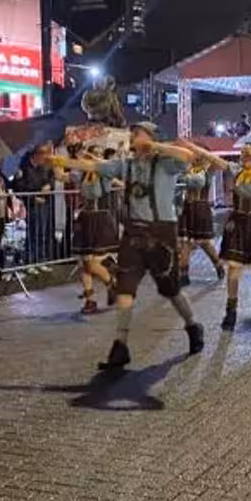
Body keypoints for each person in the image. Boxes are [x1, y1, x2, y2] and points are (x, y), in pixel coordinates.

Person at [55, 122, 203, 370]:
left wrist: (154, 145)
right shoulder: (127, 165)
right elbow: (95, 166)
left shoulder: (166, 164)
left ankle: (192, 325)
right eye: (133, 134)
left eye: (137, 134)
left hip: (161, 234)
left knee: (171, 290)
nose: (132, 137)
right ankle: (120, 346)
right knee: (125, 289)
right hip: (133, 234)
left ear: (151, 137)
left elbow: (188, 156)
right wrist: (60, 161)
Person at [181, 140, 251, 330]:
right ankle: (231, 312)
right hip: (237, 223)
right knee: (233, 270)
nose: (245, 156)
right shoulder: (235, 169)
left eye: (249, 152)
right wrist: (193, 147)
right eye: (243, 153)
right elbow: (212, 157)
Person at [63, 145, 119, 314]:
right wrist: (55, 160)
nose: (93, 157)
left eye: (98, 154)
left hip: (100, 219)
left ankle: (111, 283)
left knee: (93, 263)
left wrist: (94, 161)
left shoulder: (104, 174)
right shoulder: (80, 173)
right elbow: (61, 176)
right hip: (85, 218)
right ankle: (90, 300)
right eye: (93, 153)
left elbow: (115, 177)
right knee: (83, 263)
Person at [177, 152, 223, 286]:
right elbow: (179, 179)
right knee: (186, 242)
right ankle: (183, 275)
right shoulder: (189, 169)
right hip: (187, 208)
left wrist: (207, 160)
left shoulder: (207, 171)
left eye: (198, 156)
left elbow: (197, 181)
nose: (195, 159)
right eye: (195, 156)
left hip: (200, 208)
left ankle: (218, 266)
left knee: (204, 243)